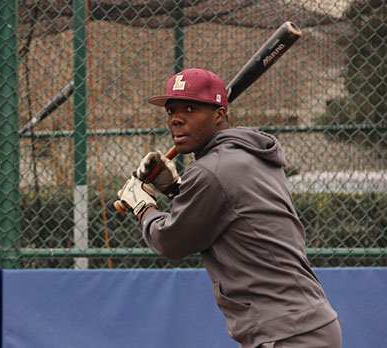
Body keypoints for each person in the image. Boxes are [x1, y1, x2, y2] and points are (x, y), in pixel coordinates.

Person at [116, 68, 341, 347]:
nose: (176, 119)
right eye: (171, 110)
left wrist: (142, 205)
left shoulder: (213, 171)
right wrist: (174, 190)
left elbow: (170, 242)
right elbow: (218, 212)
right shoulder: (247, 155)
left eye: (190, 108)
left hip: (286, 333)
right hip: (301, 324)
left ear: (219, 115)